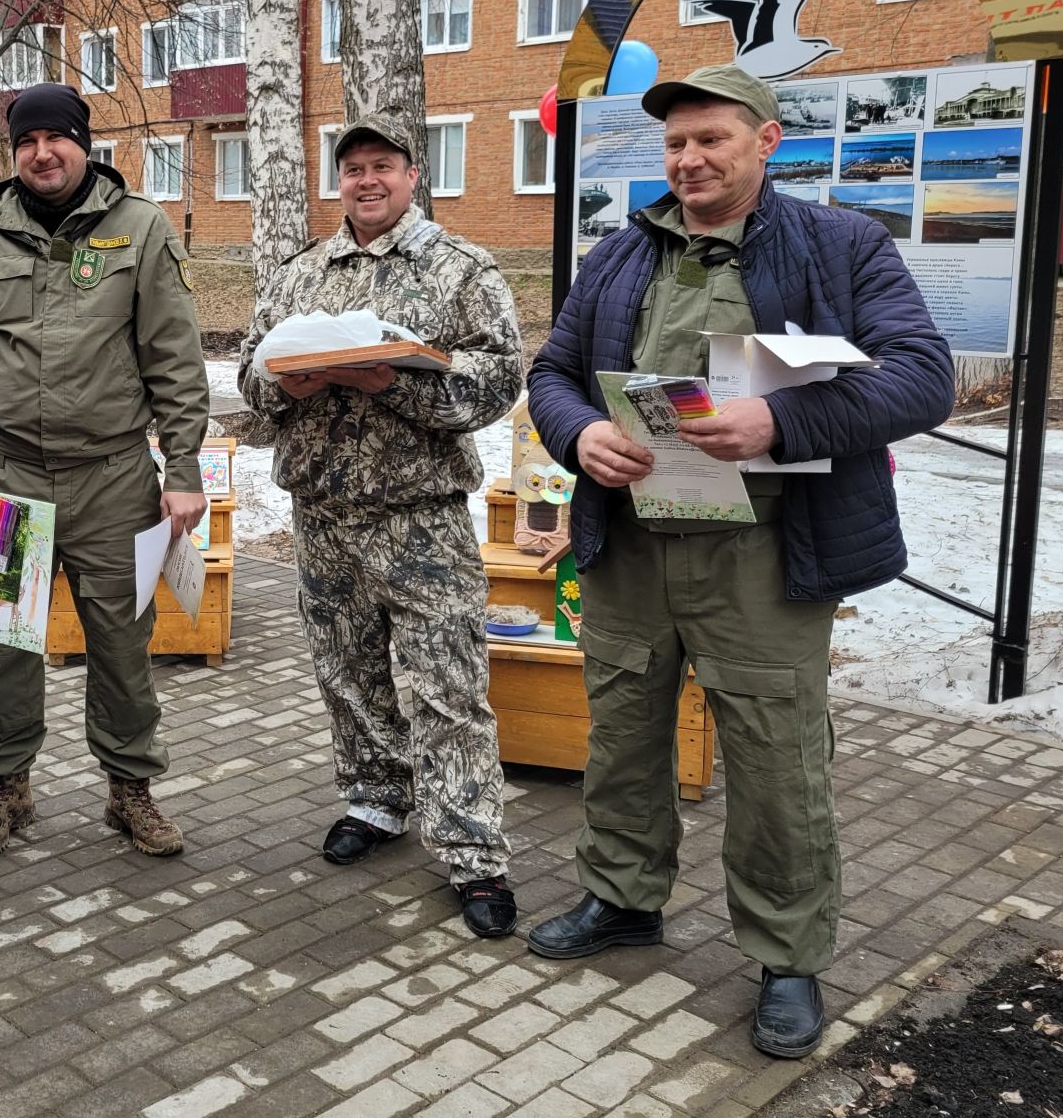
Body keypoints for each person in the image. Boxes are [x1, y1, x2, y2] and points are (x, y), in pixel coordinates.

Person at [525, 64, 955, 1058]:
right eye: (677, 144)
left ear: (766, 140)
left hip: (765, 557)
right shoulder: (620, 253)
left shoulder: (841, 244)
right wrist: (579, 434)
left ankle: (788, 958)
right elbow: (553, 371)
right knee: (623, 737)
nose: (690, 160)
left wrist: (779, 413)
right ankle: (624, 899)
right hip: (633, 545)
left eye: (712, 139)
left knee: (774, 765)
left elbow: (922, 377)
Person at [236, 116, 525, 938]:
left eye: (383, 166)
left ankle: (474, 855)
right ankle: (376, 799)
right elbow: (253, 372)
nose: (368, 180)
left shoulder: (458, 269)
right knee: (349, 671)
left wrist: (387, 381)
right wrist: (282, 389)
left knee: (448, 686)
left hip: (420, 516)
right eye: (354, 168)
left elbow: (497, 382)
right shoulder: (299, 275)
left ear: (411, 174)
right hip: (322, 513)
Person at [0, 83, 209, 859]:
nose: (41, 153)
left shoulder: (140, 229)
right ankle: (4, 790)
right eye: (26, 142)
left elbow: (176, 364)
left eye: (56, 138)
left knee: (122, 646)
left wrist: (182, 467)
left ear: (85, 144)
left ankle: (131, 790)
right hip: (5, 475)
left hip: (113, 478)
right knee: (4, 649)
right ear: (11, 153)